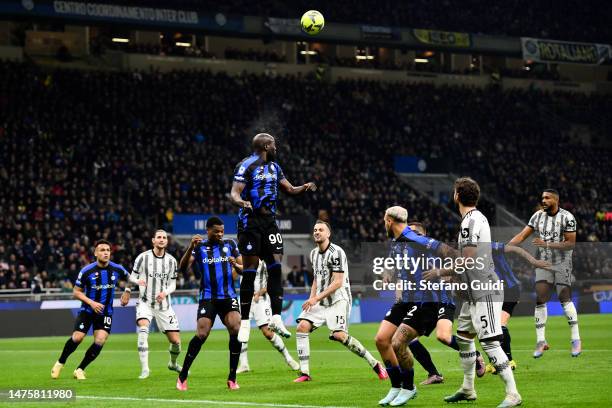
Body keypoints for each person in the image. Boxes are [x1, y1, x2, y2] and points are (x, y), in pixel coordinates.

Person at [441, 177, 521, 408]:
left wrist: (443, 272)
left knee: (489, 342)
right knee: (465, 337)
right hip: (473, 292)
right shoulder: (474, 219)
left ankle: (513, 394)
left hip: (484, 290)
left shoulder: (471, 222)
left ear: (457, 195)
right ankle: (468, 389)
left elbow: (467, 259)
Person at [230, 133, 317, 342]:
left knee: (275, 267)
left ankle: (276, 317)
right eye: (274, 145)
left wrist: (303, 187)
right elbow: (234, 192)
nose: (276, 148)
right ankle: (244, 323)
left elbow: (289, 189)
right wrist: (242, 202)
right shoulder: (246, 165)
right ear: (267, 146)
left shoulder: (275, 168)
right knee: (249, 272)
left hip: (270, 223)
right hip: (250, 223)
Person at [375, 210, 459, 406]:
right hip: (405, 300)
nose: (383, 225)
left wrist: (440, 271)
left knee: (398, 343)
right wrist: (388, 274)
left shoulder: (416, 239)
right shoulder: (397, 242)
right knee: (381, 340)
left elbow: (453, 254)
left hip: (424, 301)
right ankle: (396, 386)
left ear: (389, 221)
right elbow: (393, 264)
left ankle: (409, 388)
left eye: (384, 221)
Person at [294, 220, 387, 383]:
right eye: (315, 230)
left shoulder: (337, 252)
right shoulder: (313, 254)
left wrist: (316, 297)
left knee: (339, 335)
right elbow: (317, 278)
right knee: (302, 327)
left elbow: (337, 282)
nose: (316, 232)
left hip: (339, 299)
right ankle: (305, 373)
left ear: (328, 234)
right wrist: (312, 297)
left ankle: (375, 364)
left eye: (321, 230)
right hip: (320, 300)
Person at [508, 188, 580, 358]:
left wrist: (546, 244)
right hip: (543, 263)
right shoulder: (537, 216)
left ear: (556, 200)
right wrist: (506, 246)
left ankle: (575, 339)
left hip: (562, 263)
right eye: (542, 198)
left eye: (547, 198)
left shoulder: (567, 217)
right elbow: (522, 235)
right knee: (540, 298)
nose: (544, 200)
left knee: (564, 299)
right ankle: (541, 341)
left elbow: (570, 244)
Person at [175, 217, 243, 391]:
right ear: (208, 230)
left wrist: (236, 265)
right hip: (208, 297)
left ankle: (232, 377)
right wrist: (190, 246)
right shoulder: (199, 247)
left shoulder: (230, 244)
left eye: (222, 231)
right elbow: (182, 269)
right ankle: (182, 376)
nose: (220, 234)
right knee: (202, 334)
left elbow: (243, 268)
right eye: (216, 231)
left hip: (228, 296)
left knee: (236, 329)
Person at [51, 240, 130, 380]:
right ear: (95, 253)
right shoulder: (87, 271)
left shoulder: (117, 268)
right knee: (77, 338)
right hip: (87, 311)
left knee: (100, 340)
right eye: (102, 250)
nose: (106, 252)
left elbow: (132, 278)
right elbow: (76, 292)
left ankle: (80, 369)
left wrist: (127, 291)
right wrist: (92, 303)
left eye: (108, 250)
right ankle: (60, 362)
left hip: (106, 312)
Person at [129, 229, 182, 379]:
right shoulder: (142, 258)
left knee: (176, 342)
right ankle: (145, 369)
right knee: (143, 329)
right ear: (153, 240)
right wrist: (129, 288)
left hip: (164, 306)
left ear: (167, 241)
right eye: (158, 237)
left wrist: (165, 293)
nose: (161, 239)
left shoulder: (172, 261)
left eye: (164, 237)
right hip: (145, 303)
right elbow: (132, 277)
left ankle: (173, 363)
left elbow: (173, 285)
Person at [236, 260, 300, 373]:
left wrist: (259, 293)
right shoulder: (245, 258)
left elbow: (272, 284)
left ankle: (288, 358)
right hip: (245, 299)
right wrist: (234, 265)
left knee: (268, 332)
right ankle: (244, 364)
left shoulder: (267, 261)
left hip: (261, 300)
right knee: (242, 331)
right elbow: (236, 274)